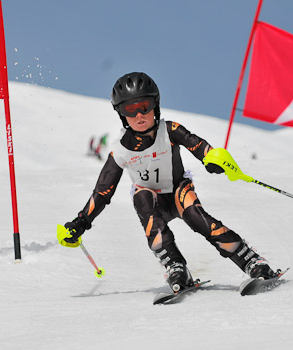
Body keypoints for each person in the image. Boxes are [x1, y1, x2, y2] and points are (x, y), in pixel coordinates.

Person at [61, 72, 278, 292]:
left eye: (144, 106)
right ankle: (176, 266)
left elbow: (197, 145)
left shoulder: (169, 130)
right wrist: (81, 223)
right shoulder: (120, 151)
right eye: (130, 109)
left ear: (156, 105)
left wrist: (211, 159)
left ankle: (252, 261)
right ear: (121, 114)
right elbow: (102, 192)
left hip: (178, 192)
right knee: (143, 199)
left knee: (199, 219)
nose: (139, 115)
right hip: (152, 200)